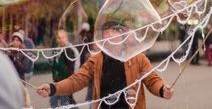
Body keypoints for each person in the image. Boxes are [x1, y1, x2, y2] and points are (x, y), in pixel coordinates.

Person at [37, 21, 174, 109]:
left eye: (114, 36)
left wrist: (163, 90)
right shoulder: (96, 61)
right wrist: (53, 88)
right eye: (107, 37)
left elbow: (152, 79)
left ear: (122, 37)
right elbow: (76, 81)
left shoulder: (138, 58)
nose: (111, 40)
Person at [49, 30, 77, 108]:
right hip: (57, 81)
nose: (61, 39)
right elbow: (53, 66)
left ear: (66, 38)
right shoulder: (56, 50)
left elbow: (71, 69)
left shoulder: (69, 50)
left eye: (63, 37)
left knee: (66, 102)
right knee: (55, 101)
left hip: (66, 82)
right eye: (59, 38)